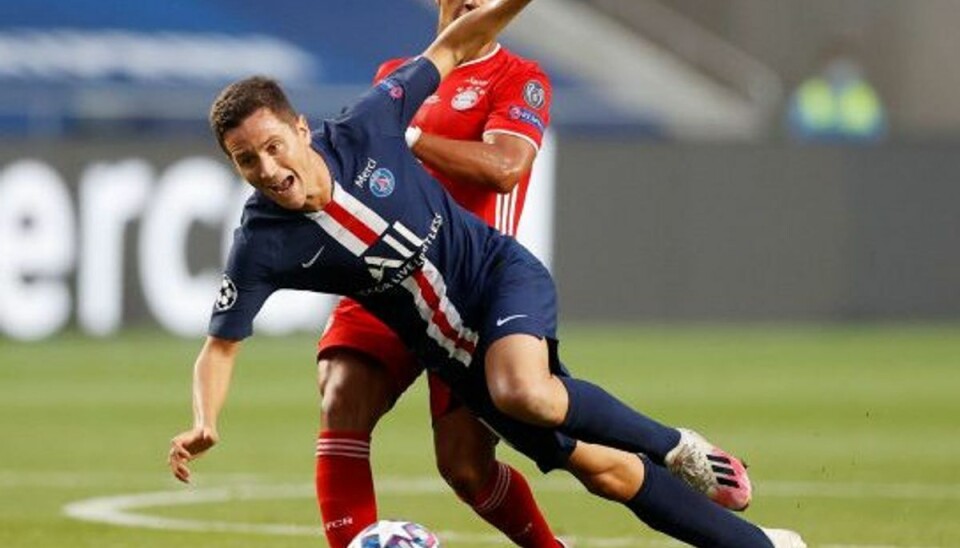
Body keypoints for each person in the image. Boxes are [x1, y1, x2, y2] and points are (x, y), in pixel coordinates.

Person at [168, 1, 806, 546]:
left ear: (301, 130)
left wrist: (416, 136)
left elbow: (499, 153)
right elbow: (219, 344)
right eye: (247, 160)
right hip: (420, 320)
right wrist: (205, 421)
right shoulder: (262, 238)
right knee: (580, 464)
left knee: (522, 401)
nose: (267, 166)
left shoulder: (388, 115)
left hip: (489, 280)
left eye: (274, 146)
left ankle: (678, 447)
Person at [314, 1, 563, 546]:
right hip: (388, 274)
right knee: (341, 398)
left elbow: (506, 169)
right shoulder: (395, 76)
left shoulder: (520, 78)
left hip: (466, 290)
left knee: (465, 468)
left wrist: (410, 139)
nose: (472, 1)